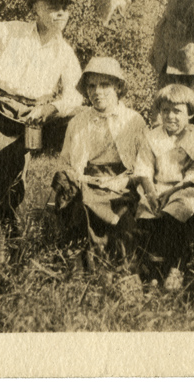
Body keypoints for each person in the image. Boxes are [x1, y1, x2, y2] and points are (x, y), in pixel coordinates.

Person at [0, 0, 83, 238]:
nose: (60, 13)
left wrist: (51, 107)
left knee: (18, 175)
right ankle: (9, 231)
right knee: (0, 171)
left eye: (65, 8)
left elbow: (76, 95)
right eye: (52, 7)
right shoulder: (15, 31)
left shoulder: (65, 52)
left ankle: (54, 214)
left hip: (33, 116)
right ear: (36, 9)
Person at [54, 57, 147, 261]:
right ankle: (85, 261)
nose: (97, 92)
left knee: (125, 216)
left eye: (105, 85)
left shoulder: (134, 120)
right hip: (86, 180)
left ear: (118, 87)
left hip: (122, 182)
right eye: (92, 86)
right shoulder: (78, 122)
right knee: (81, 205)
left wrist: (124, 180)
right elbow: (65, 161)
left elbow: (144, 164)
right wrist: (79, 178)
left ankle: (117, 260)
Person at [134, 84, 194, 289]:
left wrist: (173, 191)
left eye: (177, 111)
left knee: (176, 213)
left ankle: (176, 267)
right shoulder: (152, 137)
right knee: (148, 216)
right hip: (157, 187)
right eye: (165, 111)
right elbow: (144, 167)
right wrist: (150, 193)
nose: (170, 116)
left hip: (183, 188)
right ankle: (152, 271)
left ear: (190, 113)